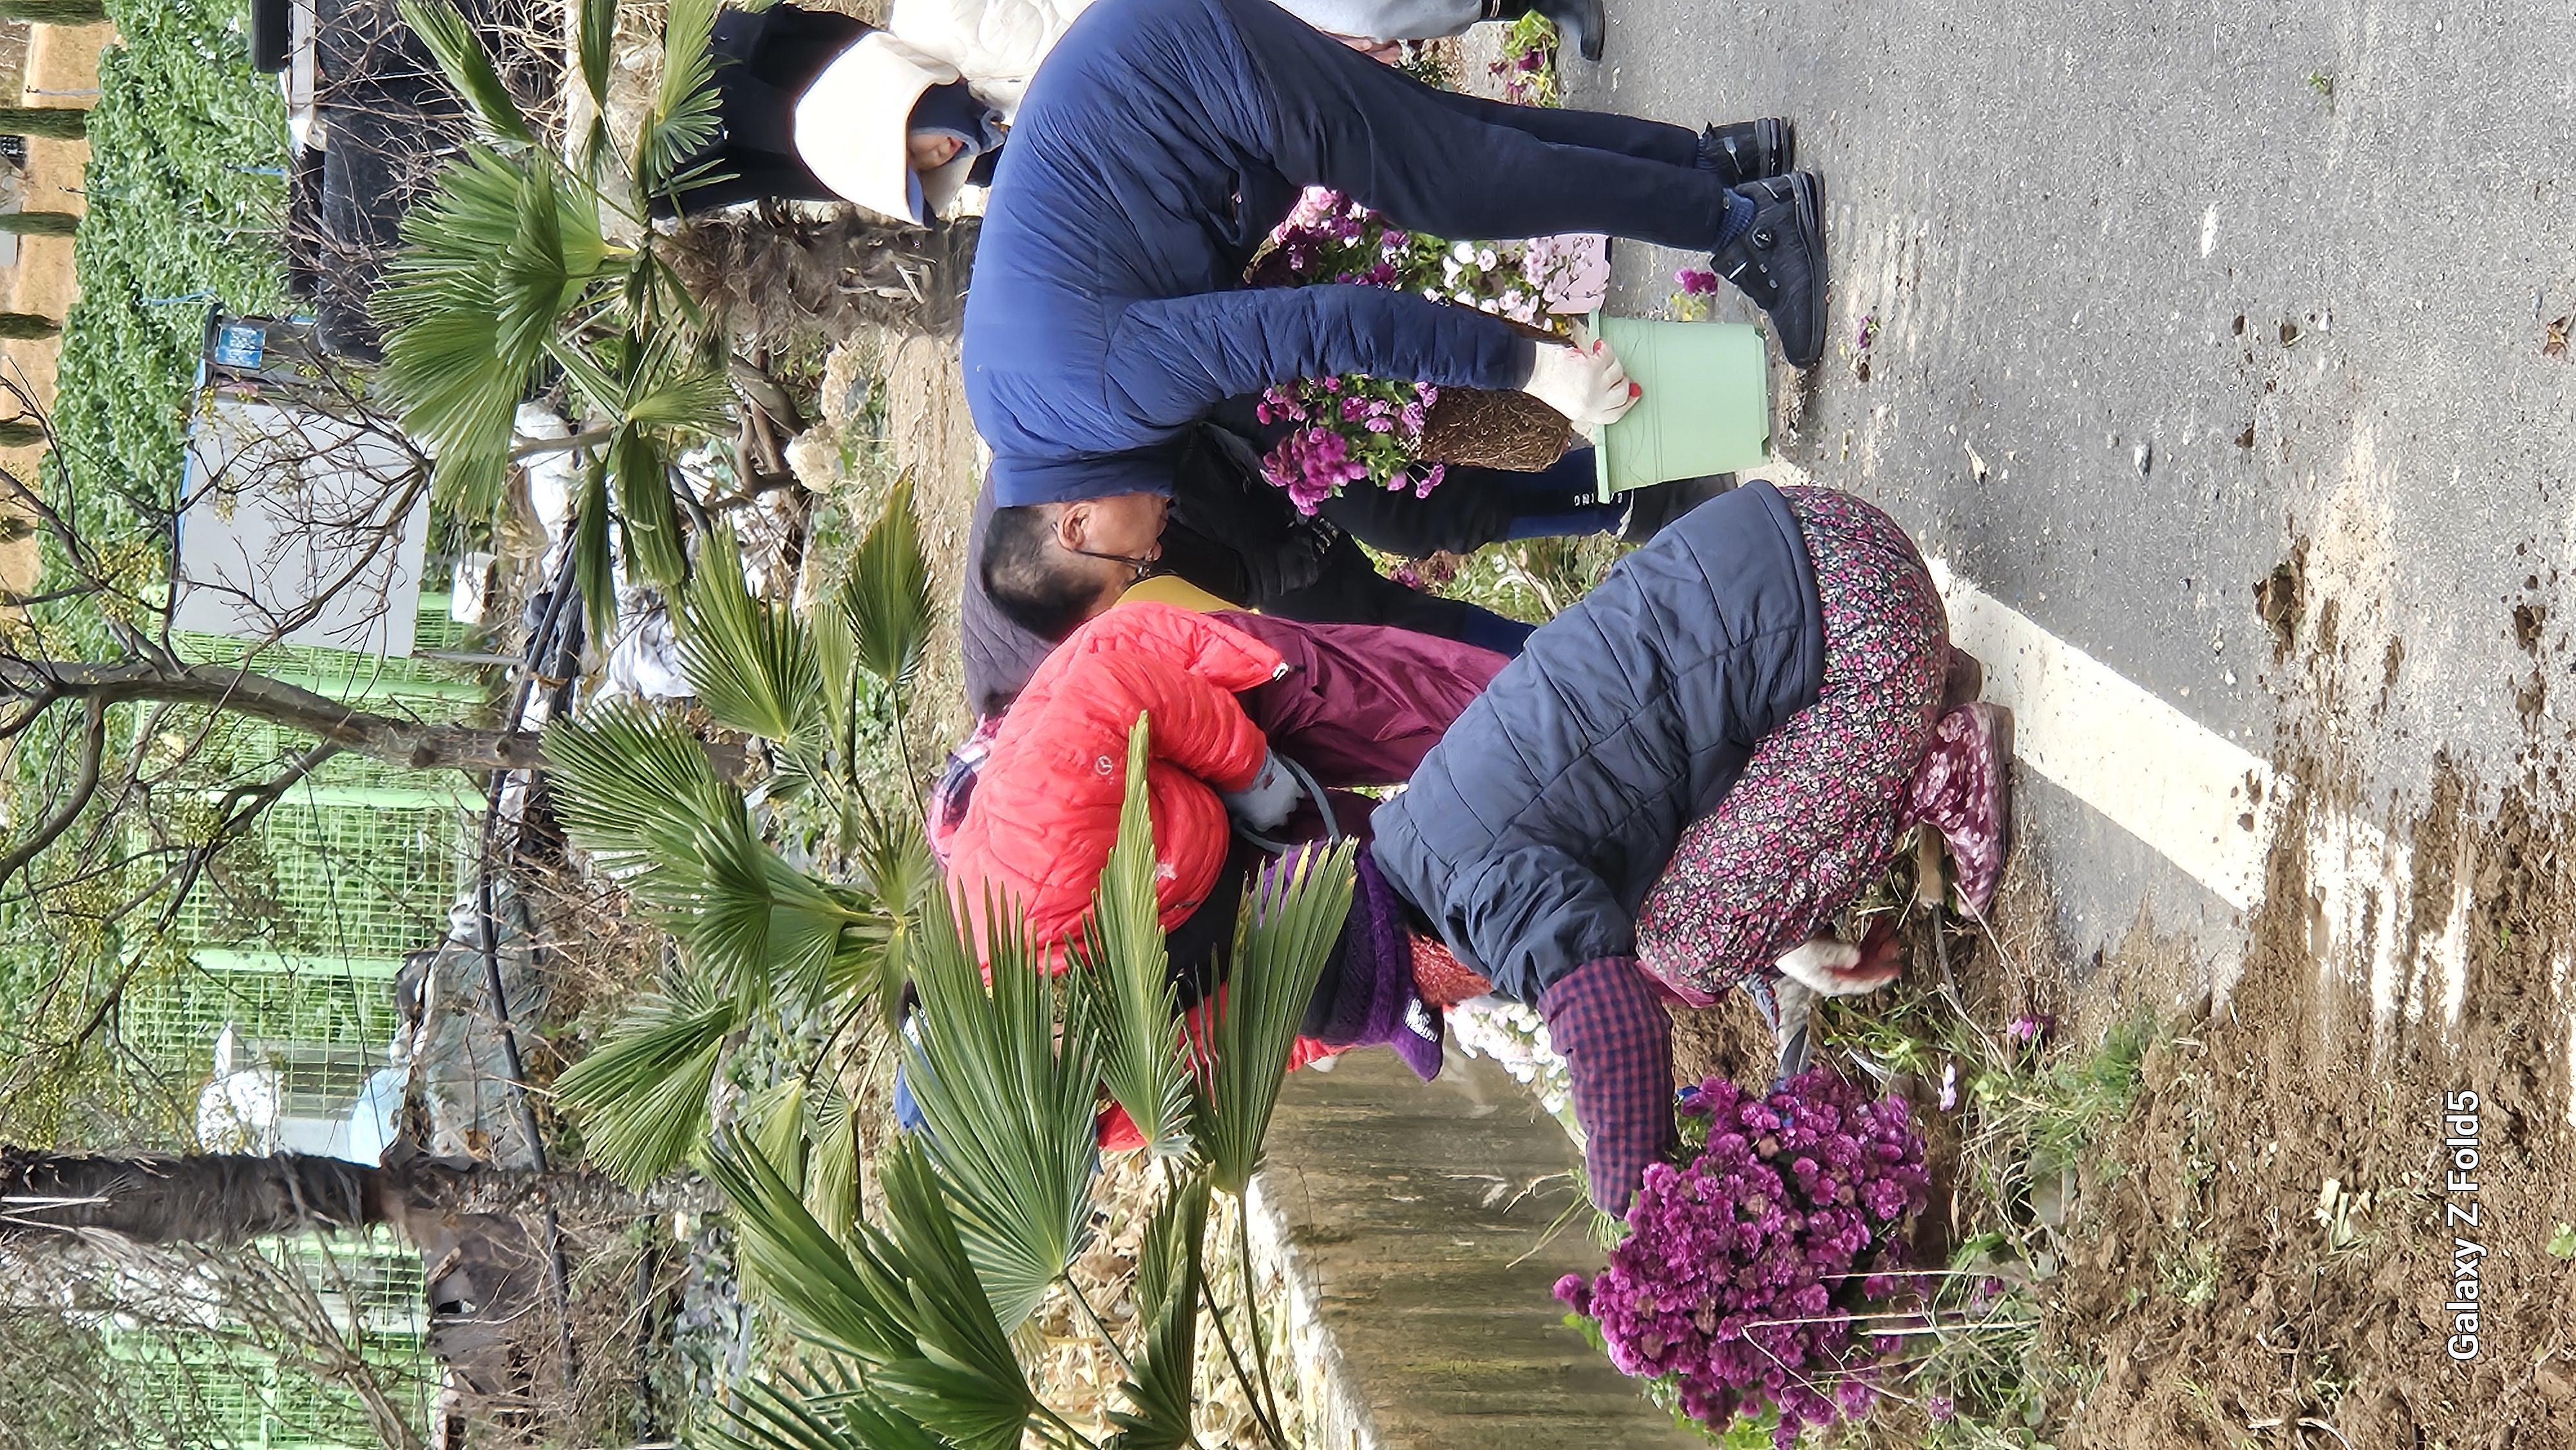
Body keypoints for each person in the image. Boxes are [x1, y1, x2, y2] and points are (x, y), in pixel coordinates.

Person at [963, 0, 1821, 525]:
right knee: (1459, 155)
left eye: (1122, 567)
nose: (1150, 551)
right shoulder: (1032, 411)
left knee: (1457, 183)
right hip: (1161, 64)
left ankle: (1744, 228)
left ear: (1075, 525)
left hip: (1186, 74)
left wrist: (1530, 368)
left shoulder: (1093, 402)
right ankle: (1714, 167)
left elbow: (1326, 325)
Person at [655, 0, 1616, 223]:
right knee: (1452, 164)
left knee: (1359, 13)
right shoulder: (979, 179)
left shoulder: (942, 17)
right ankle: (1708, 168)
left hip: (1202, 27)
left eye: (922, 145)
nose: (943, 153)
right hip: (1235, 114)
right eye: (926, 171)